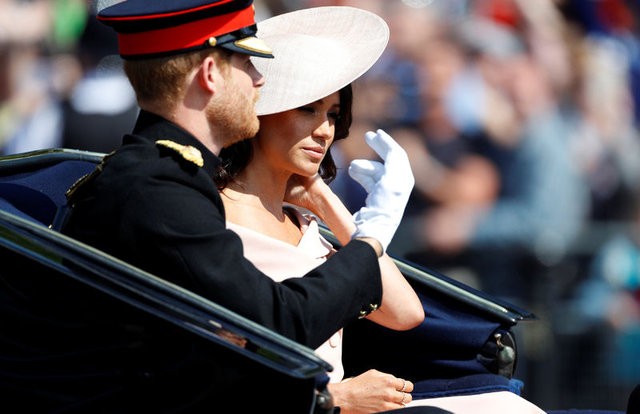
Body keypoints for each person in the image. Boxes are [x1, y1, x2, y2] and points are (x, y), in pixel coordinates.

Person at [56, 0, 416, 412]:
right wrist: (370, 238)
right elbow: (278, 326)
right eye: (248, 65)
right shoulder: (158, 190)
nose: (260, 82)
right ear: (211, 75)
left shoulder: (163, 175)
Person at [215, 6, 546, 414]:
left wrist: (326, 202)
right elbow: (218, 367)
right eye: (308, 109)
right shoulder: (215, 218)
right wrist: (333, 397)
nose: (325, 130)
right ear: (261, 112)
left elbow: (404, 313)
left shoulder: (303, 222)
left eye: (334, 115)